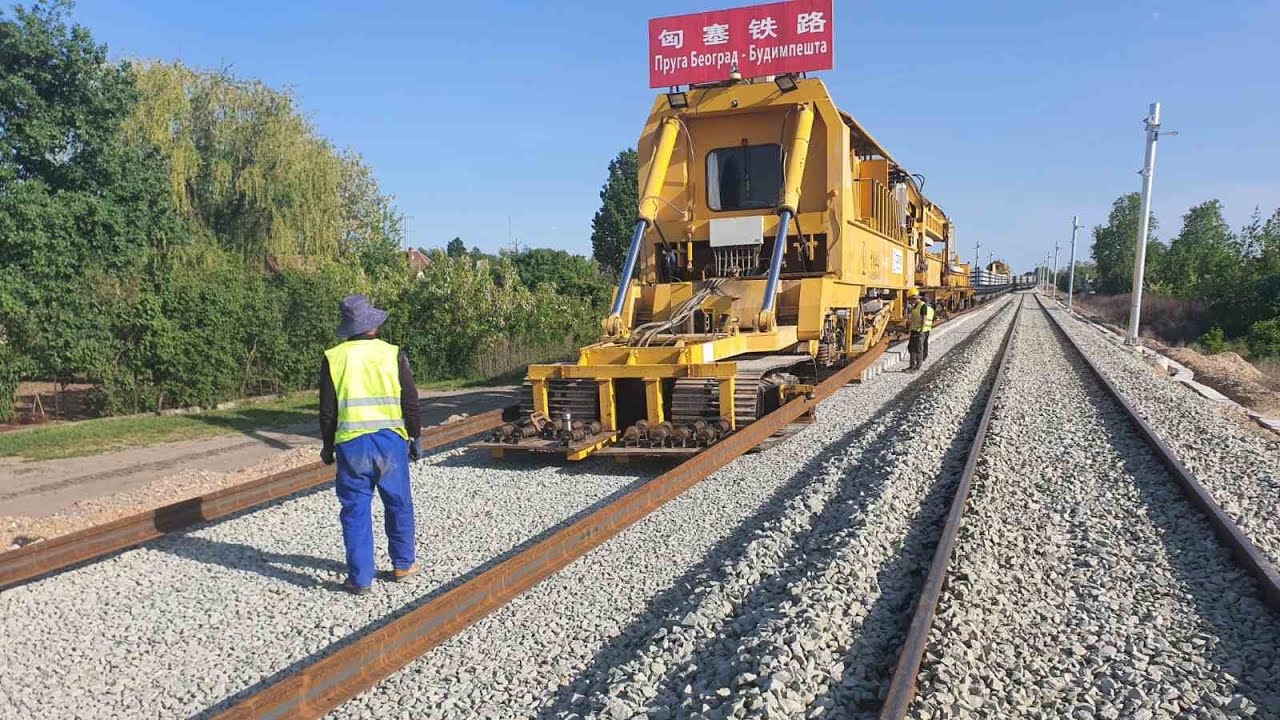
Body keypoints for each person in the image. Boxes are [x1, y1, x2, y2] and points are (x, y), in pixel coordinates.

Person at [319, 294, 423, 594]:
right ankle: (403, 564)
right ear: (374, 325)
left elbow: (328, 411)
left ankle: (361, 578)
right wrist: (415, 436)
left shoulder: (334, 358)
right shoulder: (393, 354)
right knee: (399, 503)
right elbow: (410, 401)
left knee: (355, 509)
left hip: (351, 445)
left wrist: (328, 446)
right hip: (390, 441)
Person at [906, 288, 934, 372]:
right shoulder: (915, 307)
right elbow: (914, 319)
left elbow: (924, 319)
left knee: (918, 349)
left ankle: (917, 367)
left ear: (915, 298)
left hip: (920, 331)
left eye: (911, 299)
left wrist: (921, 330)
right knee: (911, 348)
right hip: (914, 330)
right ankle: (911, 366)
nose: (910, 302)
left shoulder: (923, 306)